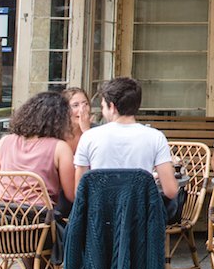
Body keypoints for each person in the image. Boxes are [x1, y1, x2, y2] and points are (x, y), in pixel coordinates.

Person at [73, 77, 180, 215]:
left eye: (103, 106)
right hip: (140, 221)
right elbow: (171, 191)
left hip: (100, 221)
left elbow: (79, 193)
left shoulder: (88, 137)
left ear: (112, 107)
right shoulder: (156, 137)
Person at [0, 91, 77, 213]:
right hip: (36, 218)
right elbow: (72, 195)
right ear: (60, 121)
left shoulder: (4, 141)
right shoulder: (60, 148)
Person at [61, 87, 94, 155]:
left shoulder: (97, 131)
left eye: (85, 104)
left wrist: (86, 131)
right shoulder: (56, 131)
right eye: (75, 105)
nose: (82, 110)